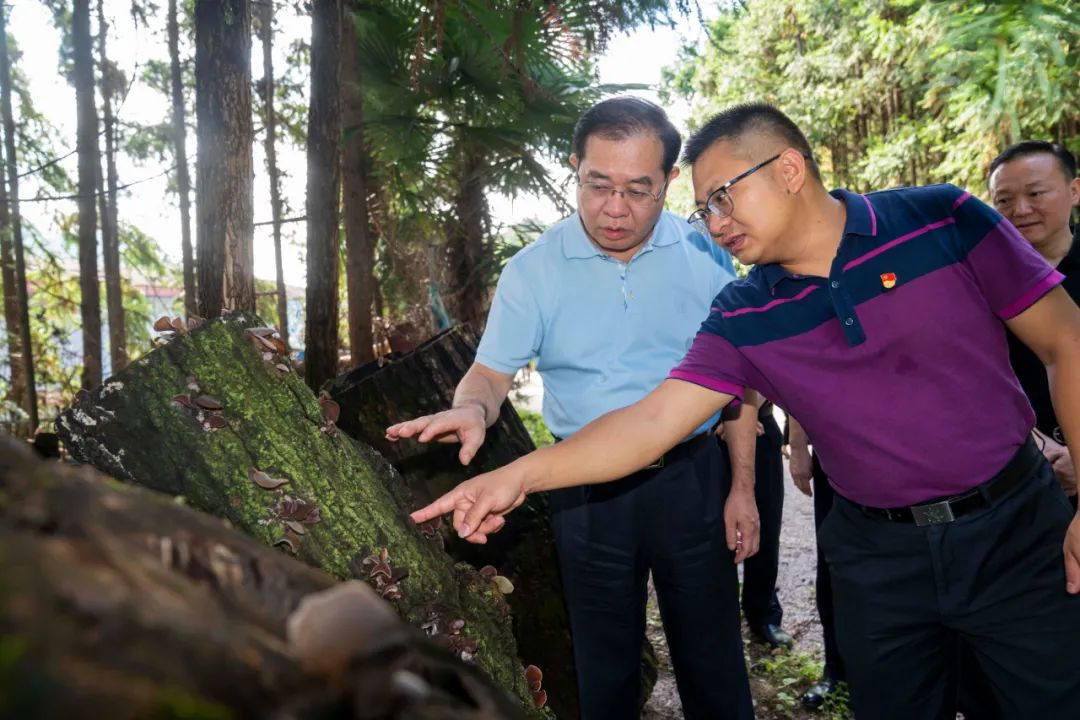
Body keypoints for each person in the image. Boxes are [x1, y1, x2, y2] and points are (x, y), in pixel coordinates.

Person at [410, 103, 1080, 719]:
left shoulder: (942, 218)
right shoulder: (745, 313)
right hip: (875, 557)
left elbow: (1066, 343)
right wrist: (518, 476)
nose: (718, 222)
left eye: (724, 197)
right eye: (706, 209)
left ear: (788, 169)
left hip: (1016, 530)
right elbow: (651, 422)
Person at [386, 97, 758, 720]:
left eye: (639, 190)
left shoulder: (710, 254)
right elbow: (488, 373)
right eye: (598, 185)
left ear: (669, 180)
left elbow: (736, 385)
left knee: (714, 661)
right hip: (584, 489)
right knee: (602, 665)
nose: (615, 209)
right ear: (575, 170)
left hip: (692, 478)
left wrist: (741, 485)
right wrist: (474, 410)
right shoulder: (532, 272)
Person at [990, 141, 1080, 503]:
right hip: (1017, 468)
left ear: (1074, 191)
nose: (1021, 210)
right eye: (1004, 201)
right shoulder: (982, 281)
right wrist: (1039, 449)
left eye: (1036, 193)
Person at [787, 417, 845, 709]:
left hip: (910, 451)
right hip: (837, 451)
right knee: (833, 563)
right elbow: (801, 372)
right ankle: (837, 670)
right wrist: (798, 446)